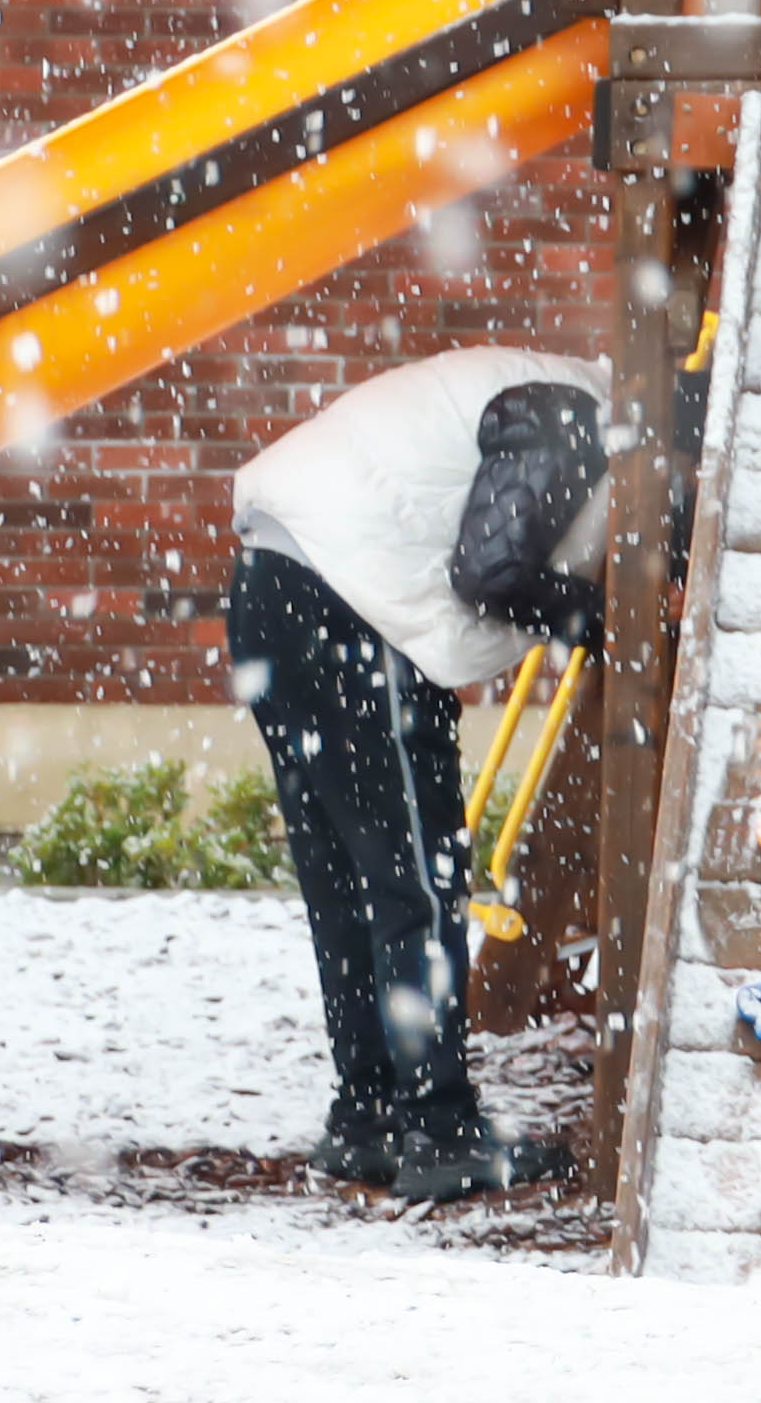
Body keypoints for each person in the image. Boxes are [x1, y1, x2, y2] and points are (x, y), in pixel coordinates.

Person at [225, 344, 621, 1203]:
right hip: (349, 609)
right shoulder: (574, 418)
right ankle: (438, 1130)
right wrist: (604, 618)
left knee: (346, 883)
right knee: (413, 881)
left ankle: (366, 1116)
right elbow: (491, 571)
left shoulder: (538, 391)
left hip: (269, 587)